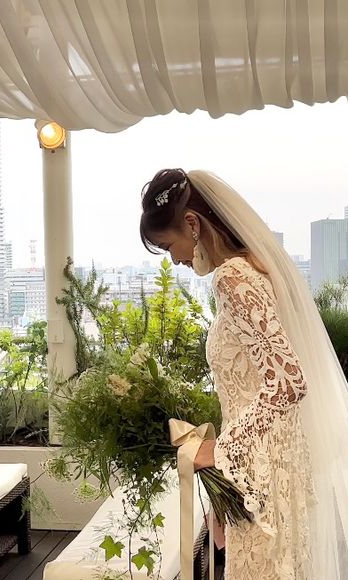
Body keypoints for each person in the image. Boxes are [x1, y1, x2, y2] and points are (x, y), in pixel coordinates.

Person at [139, 168, 348, 579]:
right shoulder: (251, 269)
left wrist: (223, 448)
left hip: (260, 468)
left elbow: (288, 383)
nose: (175, 259)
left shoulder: (232, 278)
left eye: (168, 246)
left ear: (193, 224)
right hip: (269, 460)